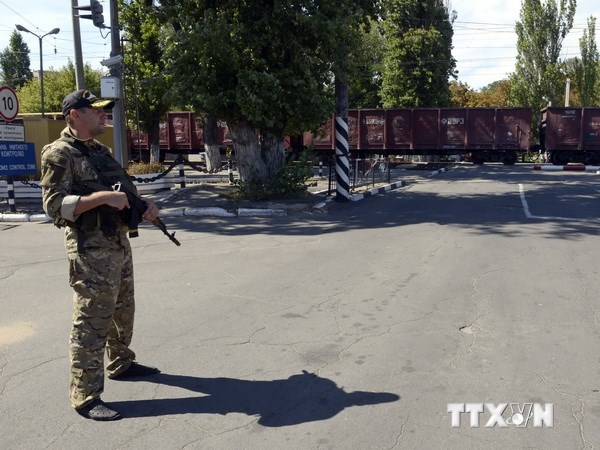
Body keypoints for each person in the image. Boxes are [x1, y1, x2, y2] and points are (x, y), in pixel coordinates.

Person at [40, 89, 161, 421]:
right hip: (90, 252)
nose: (104, 114)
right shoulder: (58, 154)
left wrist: (144, 205)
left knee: (123, 311)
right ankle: (85, 395)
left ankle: (121, 362)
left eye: (105, 110)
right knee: (92, 322)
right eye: (96, 110)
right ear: (75, 115)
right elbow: (53, 206)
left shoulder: (100, 152)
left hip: (118, 245)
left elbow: (123, 190)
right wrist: (102, 198)